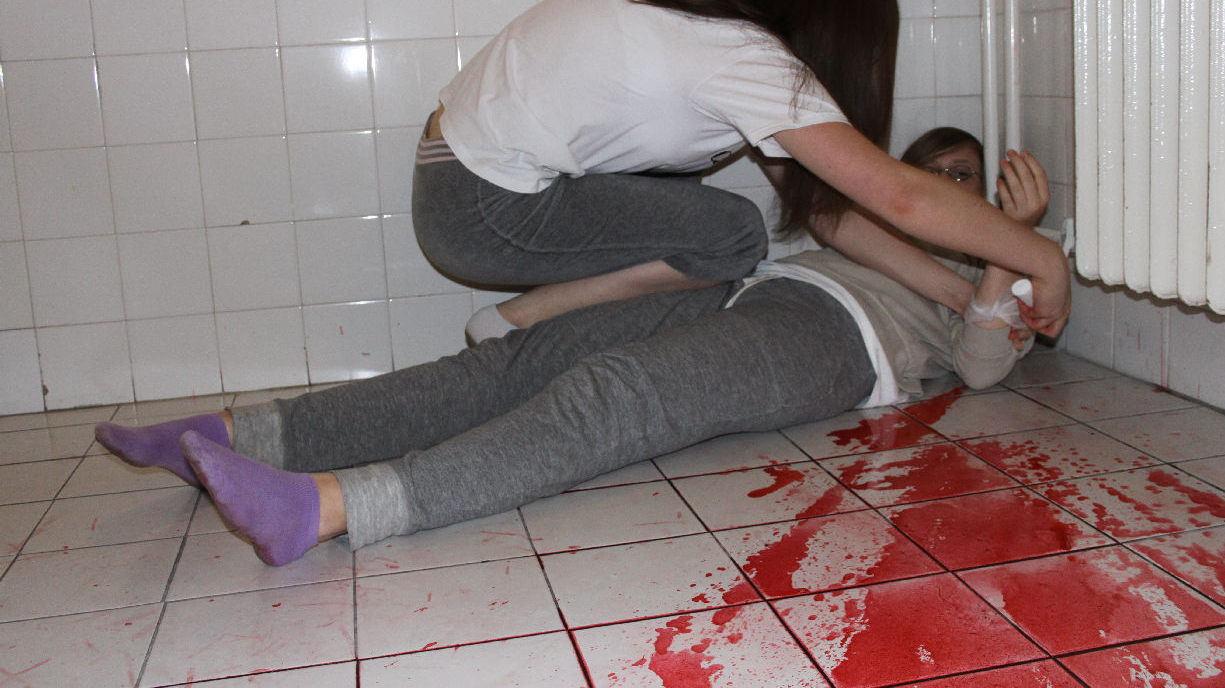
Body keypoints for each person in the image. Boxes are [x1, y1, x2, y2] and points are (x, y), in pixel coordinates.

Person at [95, 129, 1054, 567]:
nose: (952, 184)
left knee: (620, 391)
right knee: (512, 364)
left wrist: (1003, 255)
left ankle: (329, 508)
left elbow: (980, 366)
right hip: (750, 293)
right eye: (935, 171)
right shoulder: (872, 222)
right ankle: (243, 433)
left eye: (967, 176)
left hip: (837, 341)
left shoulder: (994, 275)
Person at [412, 0, 1070, 343]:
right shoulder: (751, 63)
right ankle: (510, 325)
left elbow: (827, 213)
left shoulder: (714, 34)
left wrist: (960, 297)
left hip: (461, 179)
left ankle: (521, 327)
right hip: (478, 205)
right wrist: (1044, 260)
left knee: (703, 230)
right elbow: (899, 196)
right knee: (731, 236)